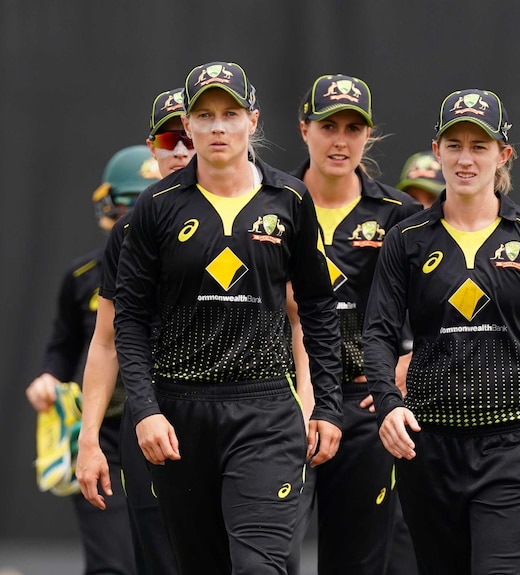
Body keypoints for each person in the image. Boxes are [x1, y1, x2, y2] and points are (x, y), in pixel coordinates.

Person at [363, 88, 520, 574]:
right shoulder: (407, 240)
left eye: (480, 146)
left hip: (514, 449)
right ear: (437, 151)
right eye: (454, 145)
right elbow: (378, 335)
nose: (466, 158)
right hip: (428, 448)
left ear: (504, 154)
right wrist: (389, 406)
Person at [112, 61, 343, 574]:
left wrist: (326, 404)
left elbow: (319, 309)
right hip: (180, 414)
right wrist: (146, 409)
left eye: (230, 113)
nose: (218, 127)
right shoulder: (156, 207)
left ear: (253, 121)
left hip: (265, 410)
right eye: (205, 115)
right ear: (188, 125)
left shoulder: (289, 199)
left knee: (260, 565)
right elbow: (127, 320)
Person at [286, 73, 422, 575]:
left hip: (364, 405)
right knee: (268, 555)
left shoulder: (397, 214)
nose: (340, 141)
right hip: (283, 403)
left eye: (352, 128)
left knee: (359, 561)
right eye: (328, 126)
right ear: (305, 130)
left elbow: (441, 303)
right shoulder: (271, 203)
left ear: (368, 135)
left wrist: (408, 364)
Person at [25, 144, 161, 574]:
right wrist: (48, 376)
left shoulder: (194, 270)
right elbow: (64, 342)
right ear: (109, 208)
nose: (135, 220)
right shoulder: (84, 277)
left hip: (172, 427)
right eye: (128, 206)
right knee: (112, 565)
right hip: (106, 433)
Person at [76, 87, 194, 575]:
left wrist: (308, 407)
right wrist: (87, 440)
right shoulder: (130, 234)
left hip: (240, 415)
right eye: (171, 139)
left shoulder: (268, 210)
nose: (183, 150)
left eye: (190, 136)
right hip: (145, 418)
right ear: (153, 146)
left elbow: (300, 318)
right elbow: (104, 342)